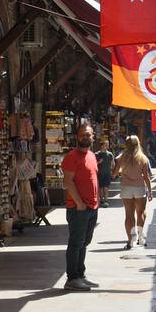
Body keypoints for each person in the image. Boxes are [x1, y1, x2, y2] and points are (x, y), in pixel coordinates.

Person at [60, 124, 101, 291]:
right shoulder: (71, 156)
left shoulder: (91, 155)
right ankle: (72, 278)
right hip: (79, 208)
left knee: (84, 242)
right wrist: (79, 203)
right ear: (77, 136)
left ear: (93, 137)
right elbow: (67, 182)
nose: (86, 137)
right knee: (76, 242)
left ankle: (80, 275)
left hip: (92, 207)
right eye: (83, 135)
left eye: (89, 135)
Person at [114, 135, 153, 249]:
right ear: (138, 144)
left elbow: (115, 173)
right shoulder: (143, 158)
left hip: (126, 187)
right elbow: (146, 177)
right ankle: (141, 237)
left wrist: (122, 171)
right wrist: (150, 191)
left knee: (129, 215)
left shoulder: (121, 157)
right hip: (139, 187)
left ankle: (130, 240)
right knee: (141, 213)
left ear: (126, 145)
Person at [95, 138, 115, 209]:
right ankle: (102, 200)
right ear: (102, 145)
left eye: (108, 144)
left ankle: (106, 200)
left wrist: (113, 172)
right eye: (106, 144)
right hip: (99, 173)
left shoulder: (110, 154)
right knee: (100, 188)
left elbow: (113, 164)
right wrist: (99, 162)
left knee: (106, 187)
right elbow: (93, 164)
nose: (107, 146)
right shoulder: (97, 154)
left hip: (107, 173)